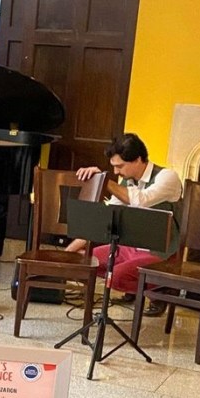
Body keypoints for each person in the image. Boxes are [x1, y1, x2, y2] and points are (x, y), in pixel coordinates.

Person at [66, 133, 183, 314]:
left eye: (119, 166)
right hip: (129, 247)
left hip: (159, 252)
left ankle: (161, 288)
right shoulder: (126, 182)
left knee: (116, 276)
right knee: (85, 261)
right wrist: (67, 255)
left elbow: (141, 200)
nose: (116, 172)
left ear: (138, 160)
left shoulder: (168, 177)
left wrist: (105, 180)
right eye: (113, 167)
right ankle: (136, 287)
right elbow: (106, 218)